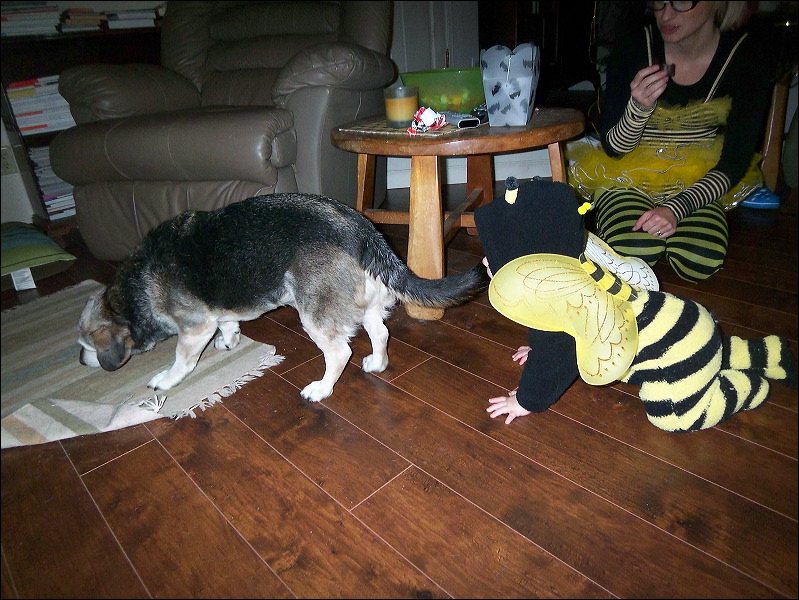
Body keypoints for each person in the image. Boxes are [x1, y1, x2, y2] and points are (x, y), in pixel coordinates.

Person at [567, 1, 775, 283]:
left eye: (681, 1)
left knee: (699, 258)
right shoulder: (634, 46)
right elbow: (614, 149)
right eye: (657, 1)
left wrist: (675, 209)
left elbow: (734, 162)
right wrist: (638, 108)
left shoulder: (747, 55)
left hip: (698, 178)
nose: (665, 14)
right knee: (632, 251)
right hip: (626, 174)